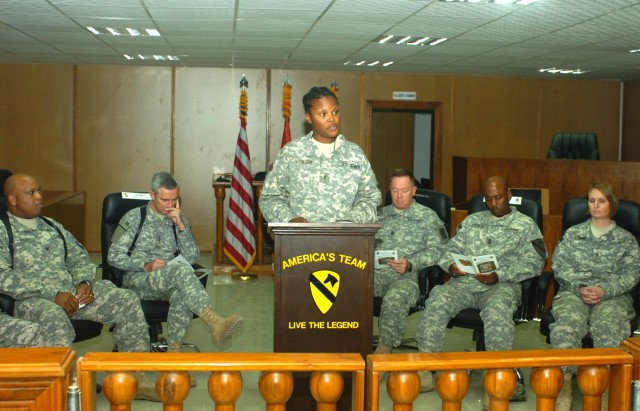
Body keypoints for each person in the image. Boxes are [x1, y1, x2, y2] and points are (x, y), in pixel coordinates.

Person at [0, 173, 159, 401]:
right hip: (32, 301)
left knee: (124, 299)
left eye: (39, 190)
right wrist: (53, 295)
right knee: (55, 318)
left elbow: (79, 258)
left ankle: (135, 378)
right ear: (13, 199)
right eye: (30, 193)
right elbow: (3, 276)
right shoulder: (3, 231)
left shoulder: (53, 226)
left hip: (73, 296)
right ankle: (62, 389)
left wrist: (84, 282)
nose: (38, 197)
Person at [416, 176, 547, 405]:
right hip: (465, 284)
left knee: (497, 310)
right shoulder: (472, 221)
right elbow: (448, 250)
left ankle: (497, 379)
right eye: (488, 198)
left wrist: (501, 275)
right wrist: (452, 266)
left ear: (508, 194)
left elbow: (536, 263)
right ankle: (425, 368)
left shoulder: (525, 225)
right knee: (437, 298)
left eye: (498, 197)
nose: (493, 203)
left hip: (500, 286)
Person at [108, 171, 243, 353]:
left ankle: (174, 352)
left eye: (174, 199)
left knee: (182, 294)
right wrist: (144, 265)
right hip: (139, 279)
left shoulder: (177, 218)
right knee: (180, 272)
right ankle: (214, 321)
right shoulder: (133, 218)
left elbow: (193, 257)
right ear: (152, 195)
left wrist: (181, 226)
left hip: (169, 280)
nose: (170, 205)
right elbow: (113, 256)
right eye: (164, 200)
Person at [551, 182, 640, 411]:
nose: (596, 205)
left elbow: (632, 275)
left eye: (602, 200)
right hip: (574, 293)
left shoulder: (626, 240)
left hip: (612, 296)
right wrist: (579, 286)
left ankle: (605, 389)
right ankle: (564, 387)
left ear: (612, 203)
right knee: (566, 327)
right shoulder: (574, 234)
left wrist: (605, 290)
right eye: (592, 201)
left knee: (608, 327)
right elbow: (559, 266)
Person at [259, 86, 381, 223]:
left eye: (335, 112)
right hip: (300, 240)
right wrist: (290, 220)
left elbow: (371, 198)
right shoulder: (292, 152)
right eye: (323, 114)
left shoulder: (355, 154)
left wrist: (350, 221)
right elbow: (270, 198)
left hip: (345, 240)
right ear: (309, 118)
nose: (331, 119)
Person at [373, 168, 447, 355]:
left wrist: (411, 263)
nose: (399, 196)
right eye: (394, 190)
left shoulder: (428, 217)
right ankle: (348, 343)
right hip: (375, 274)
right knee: (348, 289)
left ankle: (384, 349)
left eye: (404, 190)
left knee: (395, 297)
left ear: (414, 190)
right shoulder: (378, 216)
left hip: (408, 277)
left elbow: (440, 250)